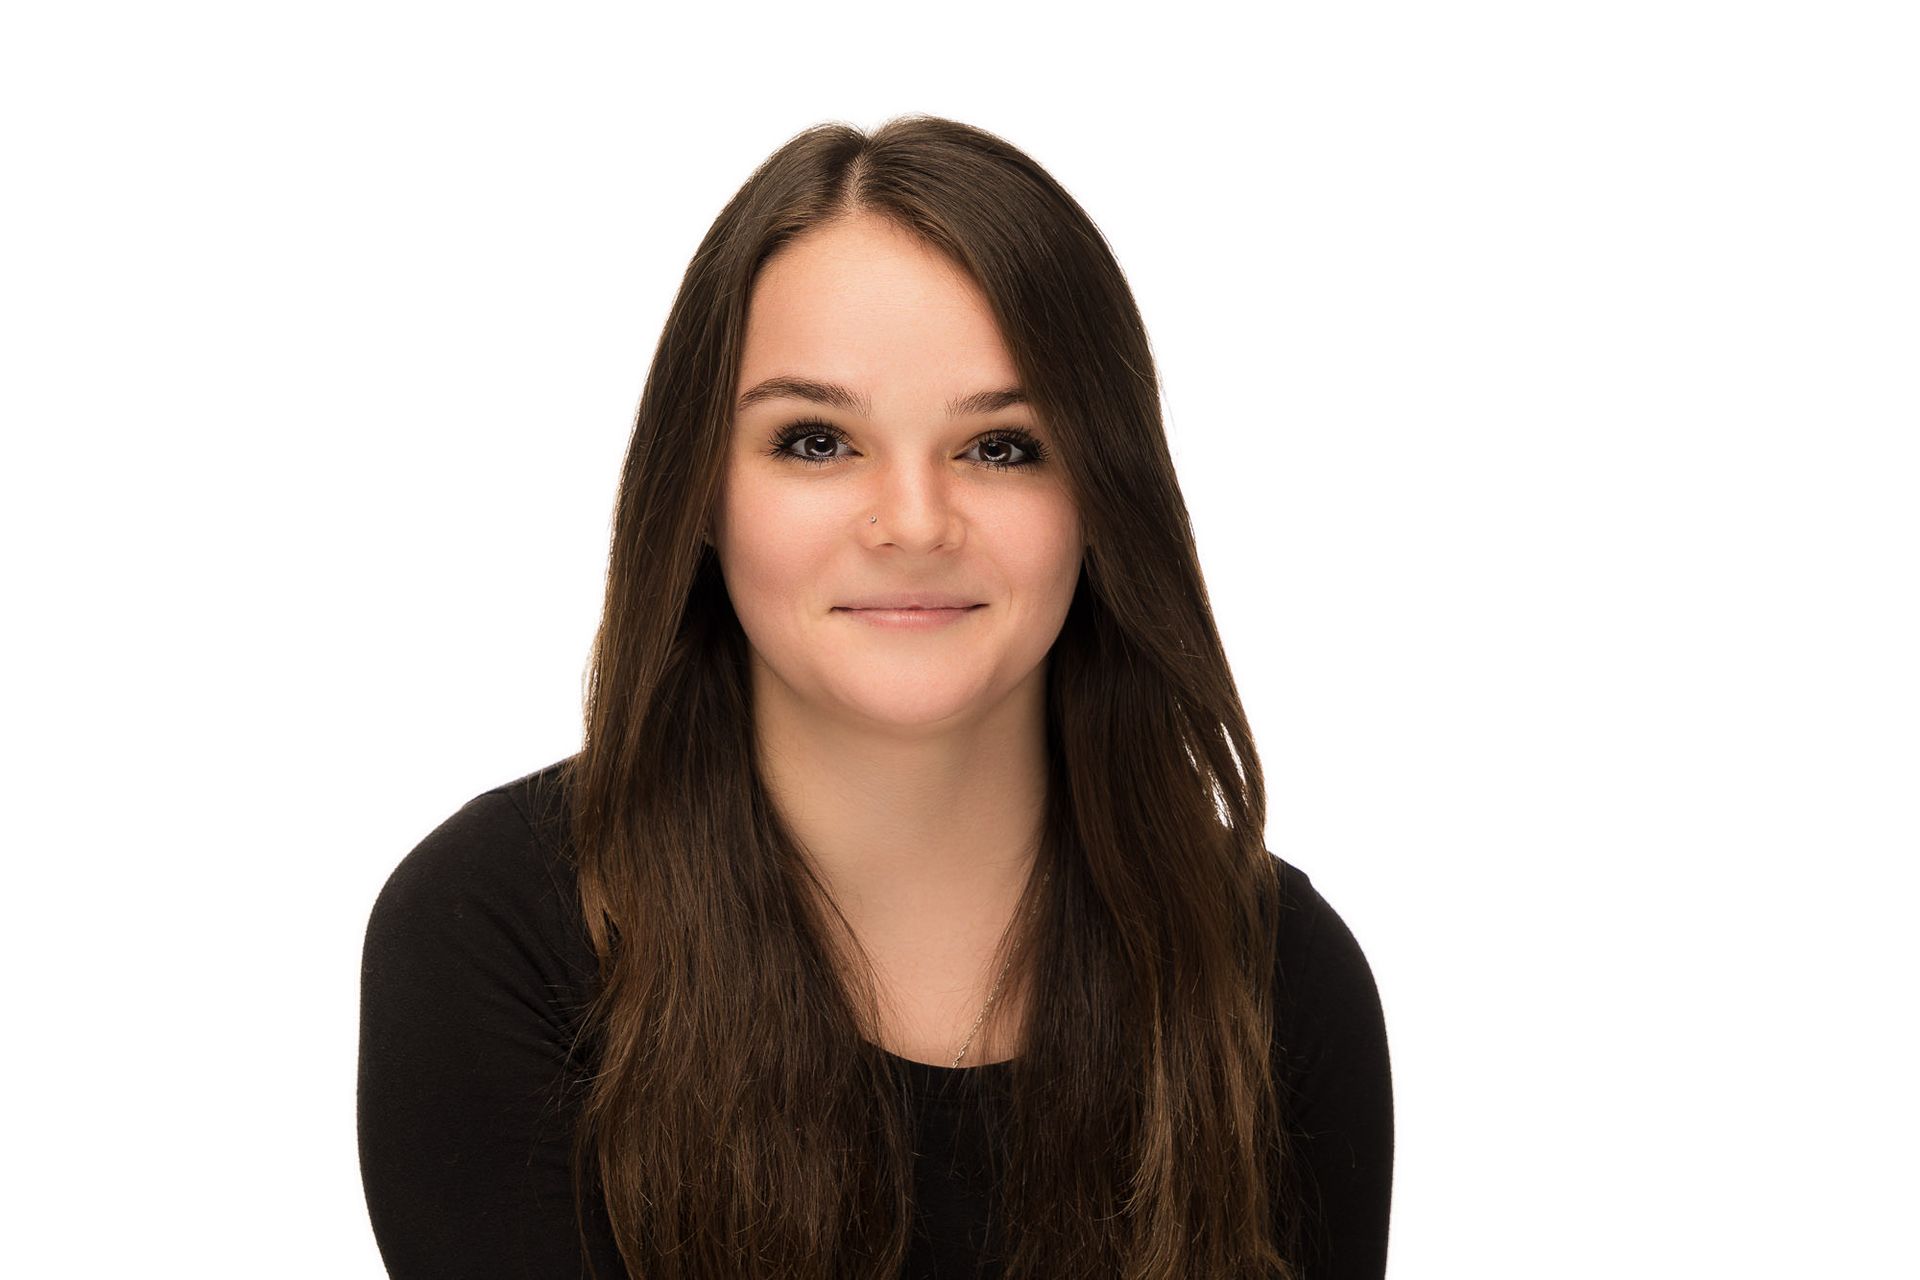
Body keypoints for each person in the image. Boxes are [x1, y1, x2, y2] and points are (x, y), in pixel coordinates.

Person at [357, 114, 1393, 1279]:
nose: (912, 521)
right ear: (698, 489)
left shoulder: (1273, 973)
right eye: (814, 439)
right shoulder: (498, 933)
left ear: (1105, 493)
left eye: (1002, 446)